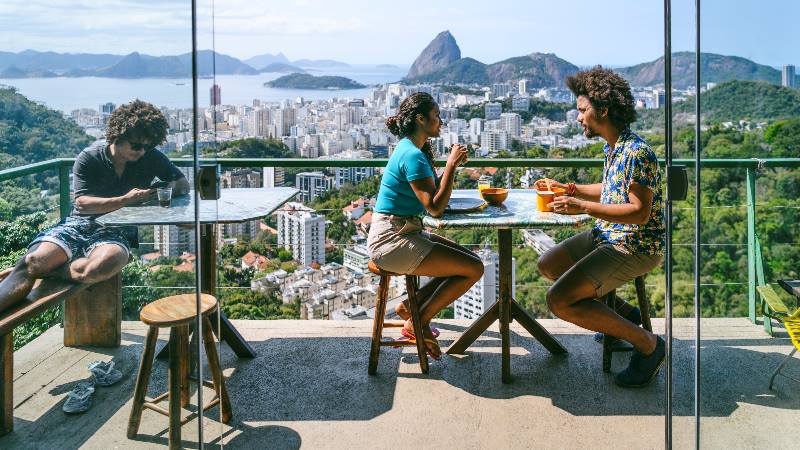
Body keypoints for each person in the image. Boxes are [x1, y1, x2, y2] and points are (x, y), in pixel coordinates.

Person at [536, 67, 666, 387]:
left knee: (559, 300)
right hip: (607, 234)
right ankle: (626, 317)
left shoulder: (637, 153)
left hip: (633, 245)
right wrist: (571, 190)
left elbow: (638, 213)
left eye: (582, 110)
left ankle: (648, 346)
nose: (578, 117)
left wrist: (581, 207)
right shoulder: (614, 146)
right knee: (548, 264)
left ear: (602, 110)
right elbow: (611, 190)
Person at [0, 100, 189, 313]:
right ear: (119, 135)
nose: (142, 151)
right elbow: (82, 204)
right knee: (32, 260)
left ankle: (49, 270)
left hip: (118, 231)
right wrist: (125, 200)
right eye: (136, 145)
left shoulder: (151, 158)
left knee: (97, 269)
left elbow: (182, 183)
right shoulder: (90, 157)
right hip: (79, 224)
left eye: (148, 146)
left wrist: (159, 191)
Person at [368, 92, 484, 359]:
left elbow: (430, 194)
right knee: (474, 268)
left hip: (405, 230)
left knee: (467, 260)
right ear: (420, 119)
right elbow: (435, 207)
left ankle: (412, 306)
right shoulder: (413, 155)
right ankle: (418, 320)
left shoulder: (411, 149)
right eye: (436, 116)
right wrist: (452, 166)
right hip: (391, 240)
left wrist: (448, 169)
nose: (440, 121)